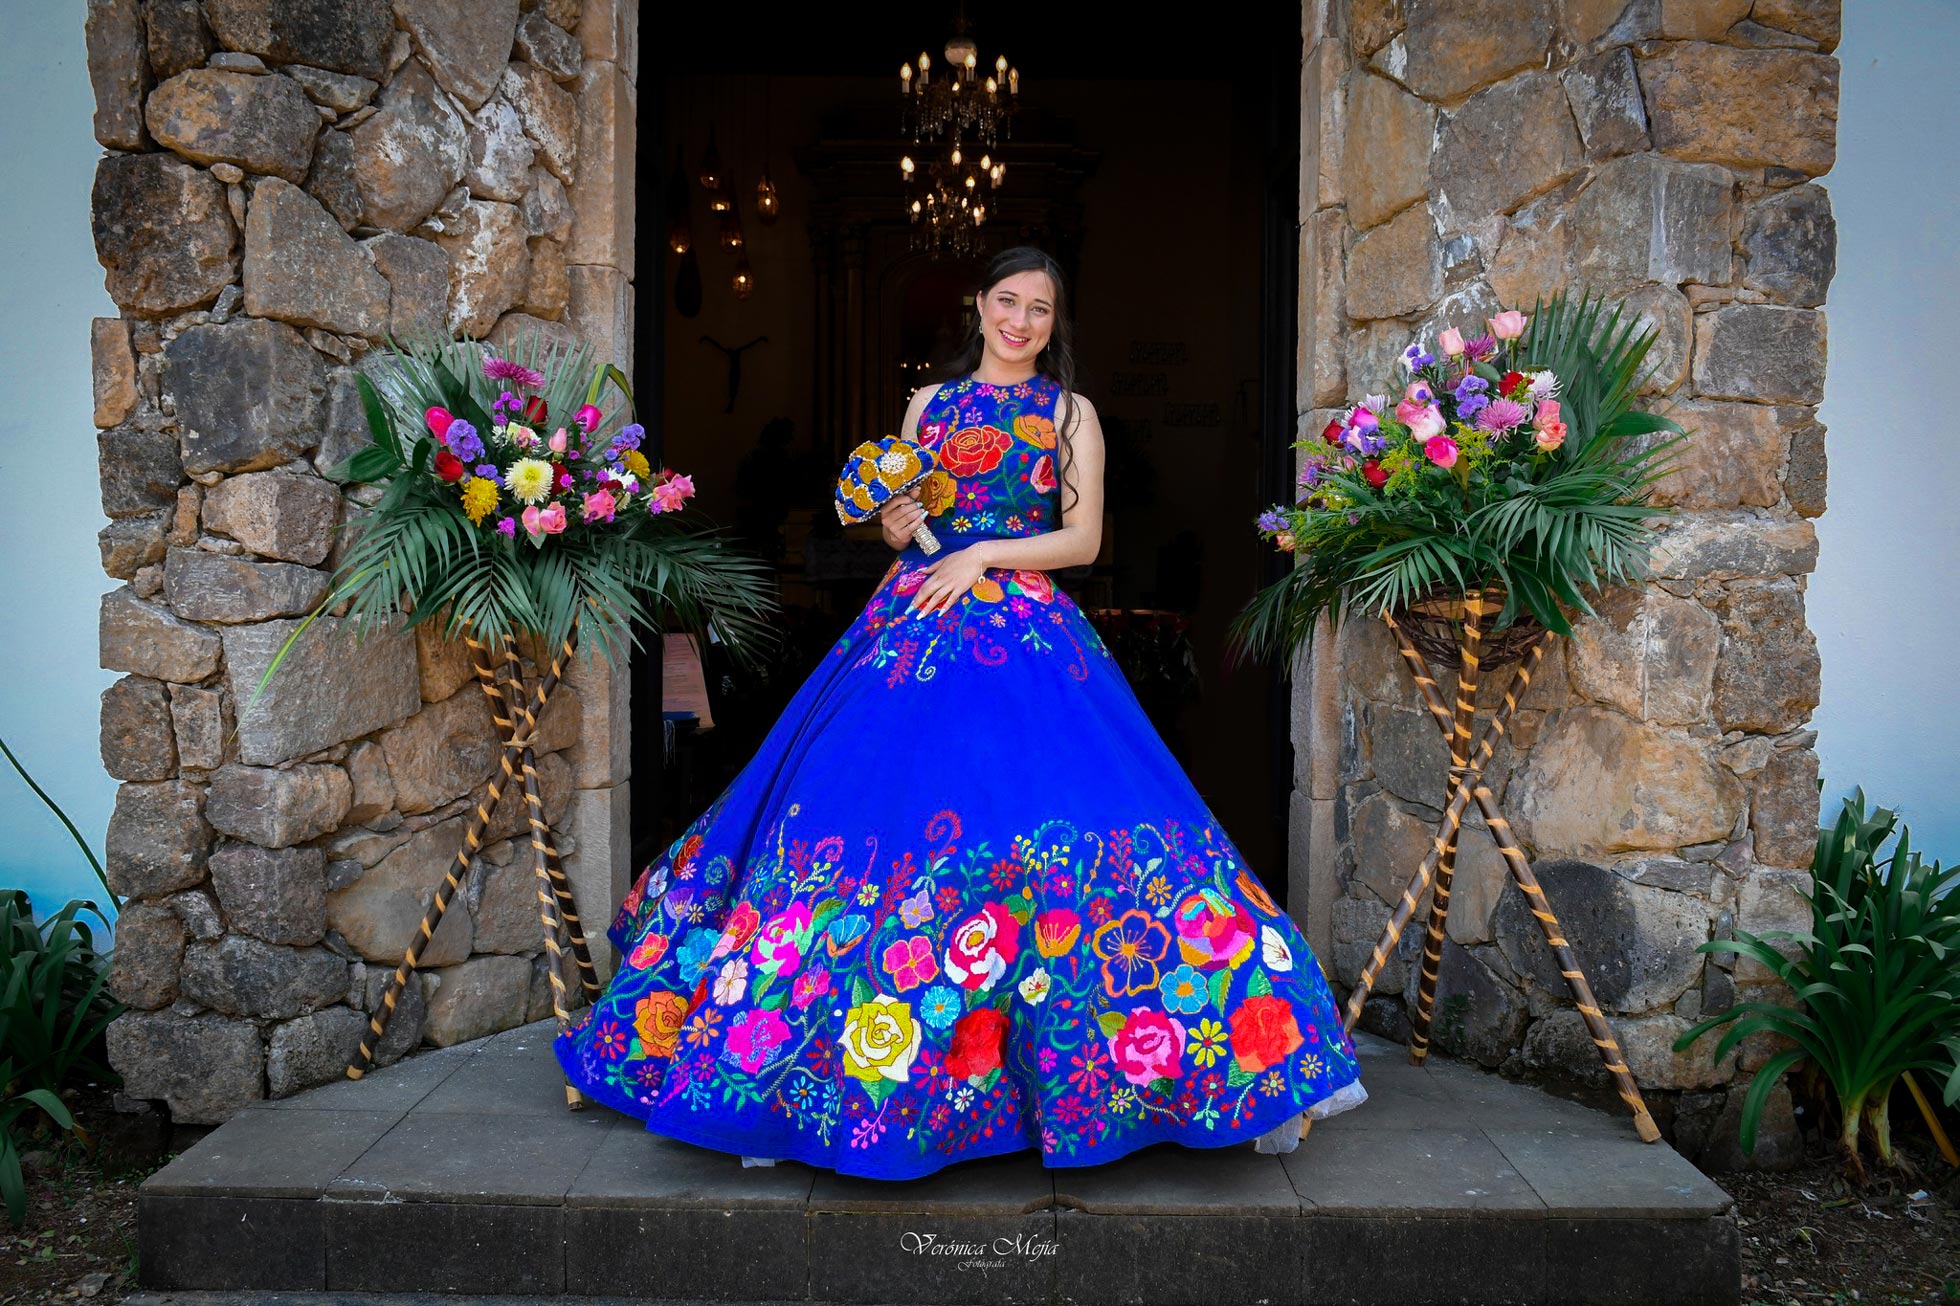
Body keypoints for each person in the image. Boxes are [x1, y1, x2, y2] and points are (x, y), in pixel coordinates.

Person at [554, 245, 1367, 1178]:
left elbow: (1085, 537)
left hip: (1024, 629)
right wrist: (899, 529)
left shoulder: (1071, 413)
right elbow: (903, 523)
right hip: (912, 625)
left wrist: (981, 557)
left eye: (1041, 311)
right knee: (859, 813)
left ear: (1056, 326)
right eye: (1008, 303)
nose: (1021, 323)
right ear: (978, 308)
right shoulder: (928, 407)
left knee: (1065, 815)